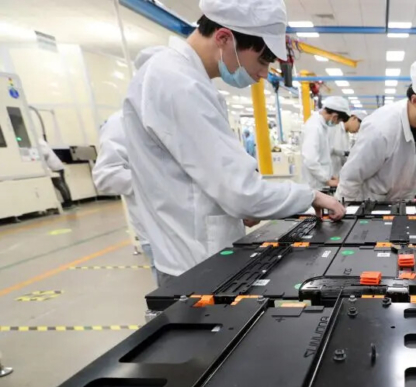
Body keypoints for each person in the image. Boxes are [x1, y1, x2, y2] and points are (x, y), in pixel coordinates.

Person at [123, 0, 345, 286]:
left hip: (198, 254)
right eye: (263, 60)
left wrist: (240, 207)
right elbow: (240, 192)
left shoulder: (182, 78)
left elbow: (208, 178)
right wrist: (310, 195)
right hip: (194, 264)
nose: (264, 73)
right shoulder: (177, 83)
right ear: (224, 38)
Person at [336, 58, 416, 201]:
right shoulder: (380, 129)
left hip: (403, 202)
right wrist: (345, 217)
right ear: (415, 101)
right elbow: (350, 178)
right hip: (371, 206)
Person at [94, 110, 159, 283]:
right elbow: (106, 176)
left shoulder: (192, 107)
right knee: (179, 300)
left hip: (208, 232)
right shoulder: (124, 120)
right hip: (159, 231)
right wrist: (162, 183)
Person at [300, 96, 350, 189]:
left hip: (320, 182)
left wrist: (329, 176)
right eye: (339, 121)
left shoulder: (323, 127)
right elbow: (310, 160)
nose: (337, 123)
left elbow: (324, 155)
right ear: (334, 116)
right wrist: (326, 180)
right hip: (314, 185)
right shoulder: (314, 127)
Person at [329, 109, 367, 179]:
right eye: (359, 127)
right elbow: (327, 150)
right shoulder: (334, 128)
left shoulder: (346, 136)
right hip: (327, 175)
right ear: (354, 118)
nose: (358, 131)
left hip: (336, 177)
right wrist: (344, 153)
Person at [39, 138, 73, 209]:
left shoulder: (39, 141)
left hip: (54, 166)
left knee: (60, 184)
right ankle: (68, 201)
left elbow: (45, 153)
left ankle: (68, 202)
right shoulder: (41, 141)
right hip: (57, 165)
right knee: (62, 184)